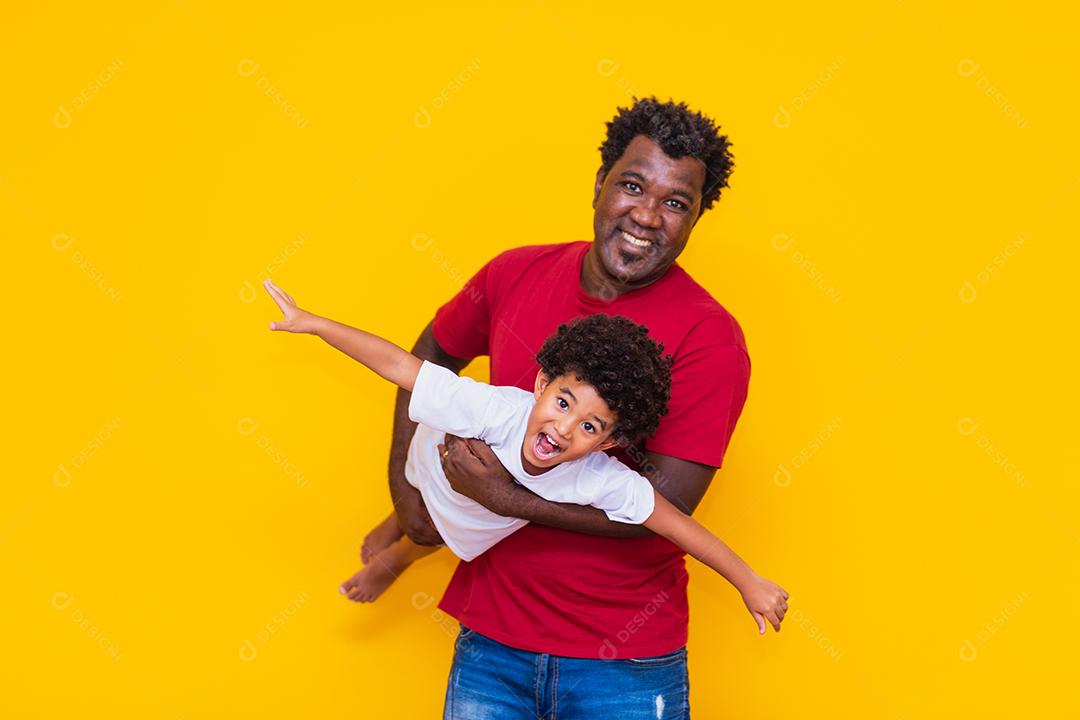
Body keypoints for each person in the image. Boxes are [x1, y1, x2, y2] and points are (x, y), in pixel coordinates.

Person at [364, 96, 772, 719]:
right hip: (492, 640)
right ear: (599, 185)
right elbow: (428, 361)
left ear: (694, 220)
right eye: (632, 185)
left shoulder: (709, 338)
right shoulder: (514, 273)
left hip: (626, 664)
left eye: (675, 203)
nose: (647, 215)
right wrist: (403, 489)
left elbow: (670, 502)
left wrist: (507, 499)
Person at [262, 279, 787, 629]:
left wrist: (749, 581)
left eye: (589, 426)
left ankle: (404, 553)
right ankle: (400, 524)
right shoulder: (493, 409)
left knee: (453, 524)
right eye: (562, 402)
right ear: (540, 385)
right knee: (426, 486)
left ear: (607, 443)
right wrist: (315, 324)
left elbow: (679, 526)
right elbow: (402, 366)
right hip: (436, 463)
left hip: (470, 520)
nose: (562, 428)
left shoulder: (601, 478)